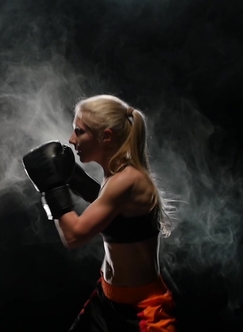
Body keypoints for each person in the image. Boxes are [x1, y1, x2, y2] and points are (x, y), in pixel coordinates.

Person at [23, 95, 177, 331]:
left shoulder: (127, 180)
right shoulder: (115, 175)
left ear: (106, 136)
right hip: (106, 300)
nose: (71, 140)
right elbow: (113, 214)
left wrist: (52, 187)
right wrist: (74, 178)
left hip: (141, 310)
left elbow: (74, 236)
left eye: (79, 131)